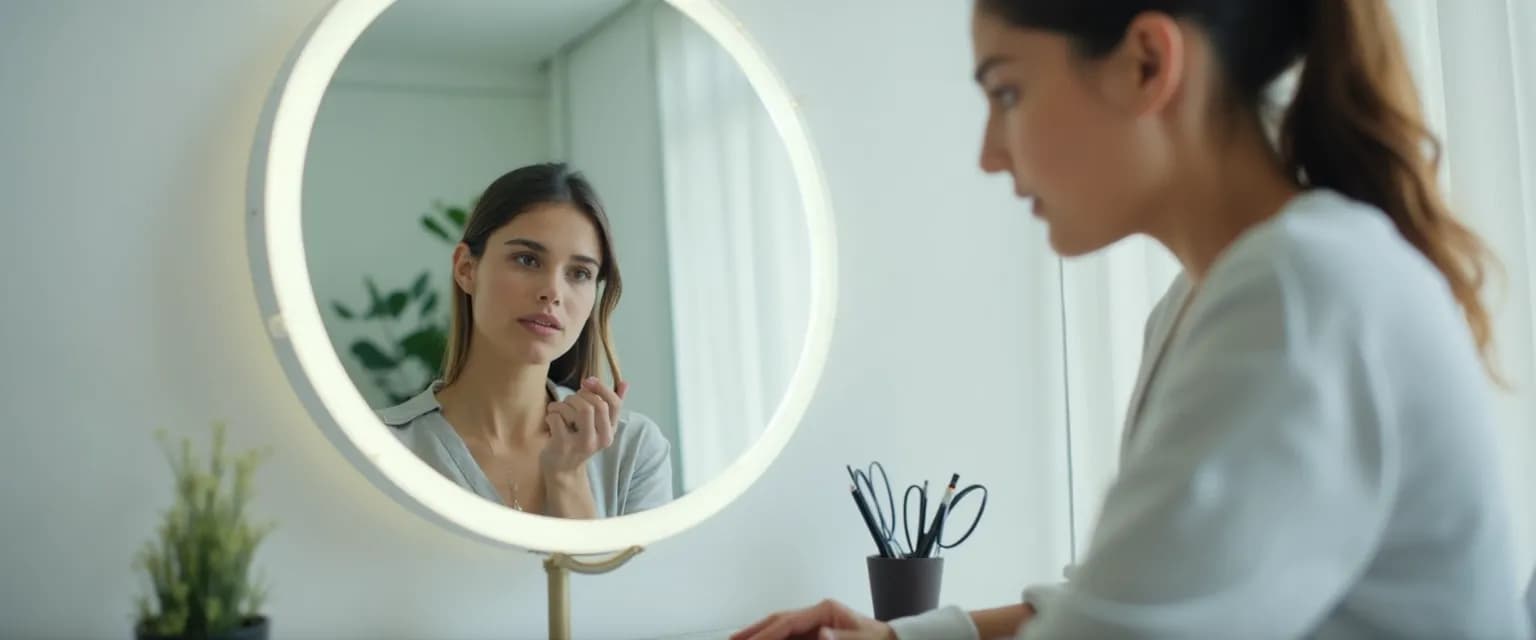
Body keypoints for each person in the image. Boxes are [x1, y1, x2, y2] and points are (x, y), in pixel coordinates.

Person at [734, 0, 1533, 638]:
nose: (989, 151)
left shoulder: (1297, 290)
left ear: (1147, 63)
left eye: (1006, 91)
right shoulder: (1201, 301)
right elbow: (1131, 596)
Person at [379, 162, 674, 519]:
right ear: (466, 269)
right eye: (527, 259)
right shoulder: (383, 447)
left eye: (579, 273)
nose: (553, 291)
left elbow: (617, 578)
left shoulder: (633, 451)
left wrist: (568, 477)